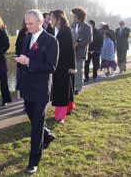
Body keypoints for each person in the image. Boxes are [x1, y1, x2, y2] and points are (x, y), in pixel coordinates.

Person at [15, 9, 59, 174]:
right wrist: (19, 86)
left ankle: (33, 161)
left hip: (41, 90)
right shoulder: (26, 39)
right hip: (27, 88)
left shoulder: (51, 41)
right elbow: (22, 65)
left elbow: (51, 67)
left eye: (31, 23)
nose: (27, 26)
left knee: (36, 127)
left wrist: (29, 61)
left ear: (40, 22)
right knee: (34, 120)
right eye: (26, 23)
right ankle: (47, 135)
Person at [50, 9, 76, 123]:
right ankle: (69, 107)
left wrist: (72, 66)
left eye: (52, 17)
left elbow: (71, 49)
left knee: (62, 90)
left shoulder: (66, 30)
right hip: (55, 65)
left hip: (64, 65)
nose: (50, 19)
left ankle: (61, 116)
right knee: (62, 89)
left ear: (58, 18)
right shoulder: (53, 29)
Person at [71, 7, 92, 95]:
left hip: (80, 51)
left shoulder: (87, 26)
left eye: (74, 15)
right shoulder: (72, 25)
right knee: (72, 70)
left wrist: (78, 44)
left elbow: (89, 39)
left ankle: (78, 88)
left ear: (79, 16)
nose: (73, 17)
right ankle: (73, 86)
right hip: (72, 51)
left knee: (79, 70)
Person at [15, 19, 29, 99]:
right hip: (21, 58)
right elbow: (17, 45)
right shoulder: (21, 32)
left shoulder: (33, 32)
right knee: (19, 77)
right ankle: (19, 93)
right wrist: (17, 56)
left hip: (29, 59)